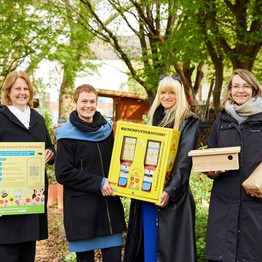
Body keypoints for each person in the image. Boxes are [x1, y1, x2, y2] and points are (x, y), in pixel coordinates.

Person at [124, 74, 200, 262]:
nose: (166, 97)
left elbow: (184, 161)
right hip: (147, 194)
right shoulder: (153, 119)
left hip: (172, 197)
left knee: (169, 252)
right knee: (148, 249)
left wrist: (170, 191)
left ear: (179, 94)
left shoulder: (189, 121)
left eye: (171, 93)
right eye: (163, 92)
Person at [55, 84, 126, 262]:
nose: (88, 105)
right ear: (75, 102)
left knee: (114, 258)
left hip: (108, 208)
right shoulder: (66, 135)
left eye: (92, 101)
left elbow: (116, 162)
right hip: (82, 211)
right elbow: (63, 173)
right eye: (84, 101)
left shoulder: (107, 130)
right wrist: (98, 182)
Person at [204, 69, 262, 262]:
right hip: (224, 203)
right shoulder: (220, 123)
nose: (240, 90)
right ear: (229, 91)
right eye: (236, 86)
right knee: (223, 256)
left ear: (254, 90)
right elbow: (210, 157)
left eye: (246, 86)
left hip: (255, 203)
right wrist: (211, 171)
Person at [0, 70, 55, 262]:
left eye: (26, 89)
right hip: (7, 199)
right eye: (17, 89)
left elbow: (49, 146)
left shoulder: (37, 118)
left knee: (27, 252)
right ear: (8, 91)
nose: (22, 93)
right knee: (7, 252)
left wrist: (50, 153)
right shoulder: (1, 117)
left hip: (31, 197)